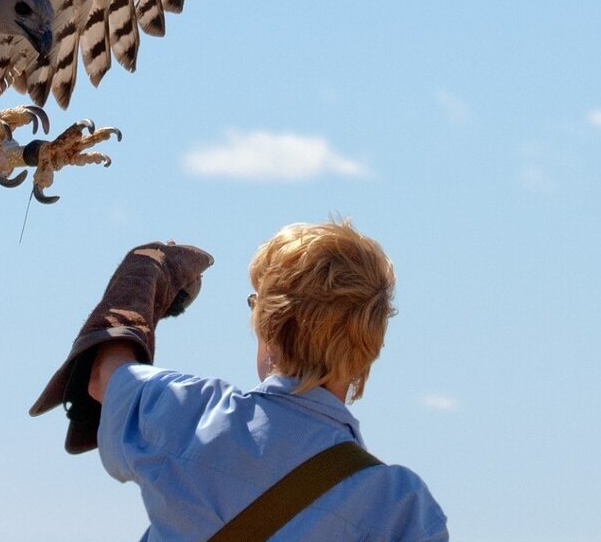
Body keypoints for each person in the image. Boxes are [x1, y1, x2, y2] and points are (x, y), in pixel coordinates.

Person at [30, 221, 448, 541]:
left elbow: (104, 376)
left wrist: (142, 278)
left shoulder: (193, 415)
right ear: (368, 348)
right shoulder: (405, 509)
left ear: (268, 323)